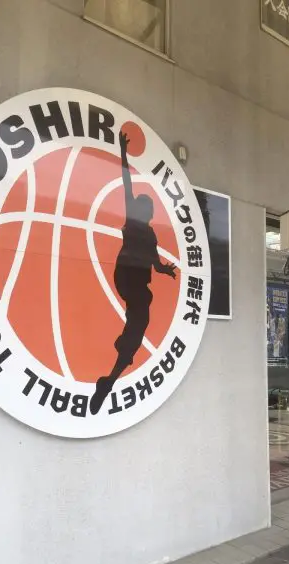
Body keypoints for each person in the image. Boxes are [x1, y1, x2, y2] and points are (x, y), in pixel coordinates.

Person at [90, 131, 176, 415]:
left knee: (140, 321)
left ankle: (112, 373)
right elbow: (126, 183)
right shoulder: (133, 221)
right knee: (140, 321)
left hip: (135, 281)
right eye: (147, 208)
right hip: (128, 277)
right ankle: (123, 350)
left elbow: (155, 262)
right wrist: (123, 153)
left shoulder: (150, 233)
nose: (150, 213)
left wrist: (166, 270)